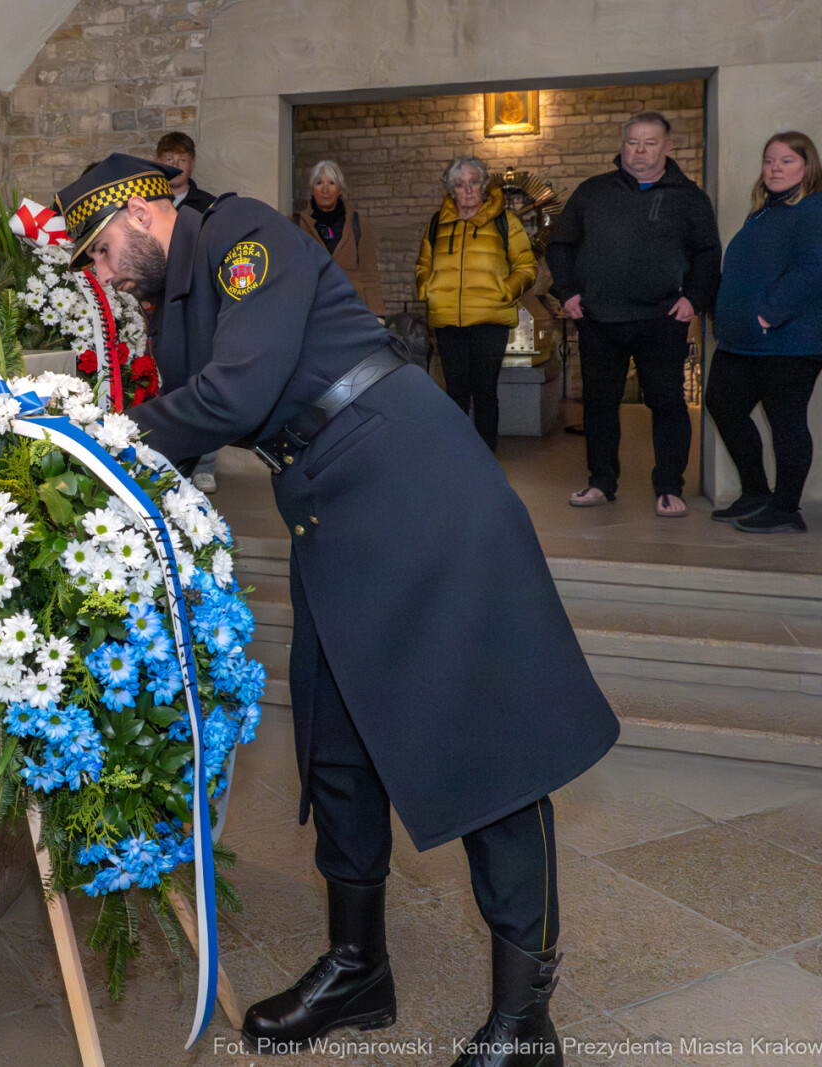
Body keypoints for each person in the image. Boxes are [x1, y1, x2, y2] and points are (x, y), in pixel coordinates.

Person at [55, 153, 618, 1067]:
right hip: (330, 505)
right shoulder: (177, 298)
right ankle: (359, 967)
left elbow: (233, 394)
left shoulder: (243, 238)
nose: (103, 272)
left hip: (414, 488)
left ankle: (525, 1018)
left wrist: (86, 443)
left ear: (149, 213)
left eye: (106, 249)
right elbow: (185, 421)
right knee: (336, 740)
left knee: (487, 748)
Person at [547, 111, 721, 516]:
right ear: (622, 146)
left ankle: (669, 488)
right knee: (599, 405)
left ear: (667, 147)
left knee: (666, 403)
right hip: (598, 319)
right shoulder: (592, 192)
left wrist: (694, 299)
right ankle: (601, 483)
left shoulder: (690, 198)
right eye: (632, 142)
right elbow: (560, 245)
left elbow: (708, 254)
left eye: (649, 143)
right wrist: (567, 292)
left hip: (662, 319)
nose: (639, 151)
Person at [707, 132, 822, 533]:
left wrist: (769, 315)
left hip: (791, 337)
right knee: (724, 404)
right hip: (746, 340)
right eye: (770, 161)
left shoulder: (819, 207)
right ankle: (755, 492)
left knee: (786, 419)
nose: (775, 168)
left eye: (786, 161)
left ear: (808, 166)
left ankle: (786, 508)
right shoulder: (766, 209)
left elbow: (816, 268)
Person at [415, 156, 537, 451]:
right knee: (455, 393)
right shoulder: (437, 223)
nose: (468, 190)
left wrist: (503, 292)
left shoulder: (505, 222)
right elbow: (423, 265)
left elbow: (526, 267)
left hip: (489, 321)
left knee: (484, 392)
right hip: (448, 322)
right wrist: (428, 290)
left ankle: (485, 457)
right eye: (460, 184)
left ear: (483, 186)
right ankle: (458, 458)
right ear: (451, 190)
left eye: (473, 183)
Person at [155, 131, 219, 489]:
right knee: (164, 378)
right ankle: (168, 456)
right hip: (157, 303)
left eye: (181, 159)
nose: (175, 165)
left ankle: (205, 464)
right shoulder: (146, 202)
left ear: (191, 164)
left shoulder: (207, 205)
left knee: (202, 375)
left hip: (197, 302)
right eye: (168, 158)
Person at [295, 160, 386, 315]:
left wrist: (377, 314)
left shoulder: (357, 223)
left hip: (350, 309)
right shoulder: (297, 224)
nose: (325, 189)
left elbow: (370, 273)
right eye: (319, 183)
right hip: (312, 310)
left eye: (331, 183)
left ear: (340, 189)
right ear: (312, 189)